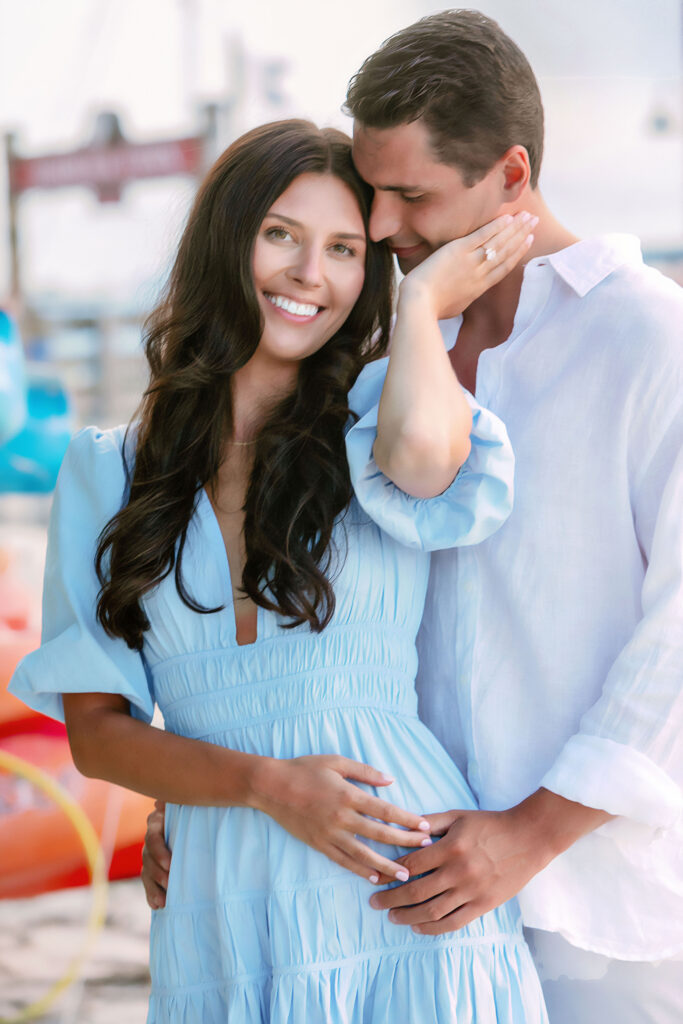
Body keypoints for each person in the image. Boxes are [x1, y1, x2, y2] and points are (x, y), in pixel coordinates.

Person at [139, 11, 683, 1022]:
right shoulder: (380, 366)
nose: (382, 228)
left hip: (591, 901)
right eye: (371, 192)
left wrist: (529, 832)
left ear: (509, 175)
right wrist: (206, 798)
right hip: (388, 894)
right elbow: (309, 613)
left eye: (409, 196)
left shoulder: (648, 339)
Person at [10, 120, 547, 1022]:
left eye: (344, 249)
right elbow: (98, 735)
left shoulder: (381, 416)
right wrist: (262, 786)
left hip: (398, 883)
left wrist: (415, 308)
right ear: (226, 239)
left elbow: (429, 460)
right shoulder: (107, 470)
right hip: (221, 894)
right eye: (281, 235)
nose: (312, 274)